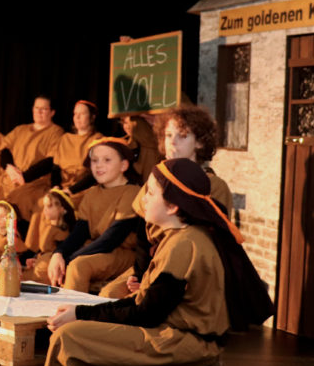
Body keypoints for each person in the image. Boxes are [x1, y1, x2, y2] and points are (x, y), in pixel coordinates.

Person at [23, 158, 272, 366]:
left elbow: (146, 314)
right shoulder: (177, 238)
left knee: (70, 338)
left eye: (151, 193)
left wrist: (81, 315)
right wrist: (82, 311)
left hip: (185, 341)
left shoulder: (186, 244)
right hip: (167, 331)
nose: (143, 199)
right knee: (73, 333)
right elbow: (146, 303)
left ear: (173, 206)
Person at [99, 105, 232, 298]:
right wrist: (139, 274)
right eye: (169, 135)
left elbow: (209, 244)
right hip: (151, 264)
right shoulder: (157, 177)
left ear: (200, 143)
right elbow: (143, 231)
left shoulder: (214, 186)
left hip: (186, 273)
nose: (172, 142)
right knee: (108, 294)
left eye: (182, 136)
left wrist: (152, 282)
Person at [47, 137, 141, 292]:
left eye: (107, 160)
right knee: (48, 262)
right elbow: (79, 233)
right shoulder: (91, 193)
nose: (99, 165)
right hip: (93, 248)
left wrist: (69, 260)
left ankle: (72, 308)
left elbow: (111, 240)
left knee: (78, 266)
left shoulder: (132, 192)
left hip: (120, 252)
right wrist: (59, 253)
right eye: (95, 160)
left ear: (124, 165)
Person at [6, 99, 99, 221]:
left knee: (53, 207)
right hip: (61, 186)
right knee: (32, 201)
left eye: (82, 114)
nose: (77, 117)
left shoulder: (97, 140)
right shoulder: (66, 138)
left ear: (92, 117)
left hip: (81, 189)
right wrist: (56, 186)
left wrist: (71, 190)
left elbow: (93, 174)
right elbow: (56, 167)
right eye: (75, 114)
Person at [0, 96, 64, 221]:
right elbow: (4, 149)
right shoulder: (20, 129)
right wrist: (9, 167)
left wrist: (24, 177)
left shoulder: (56, 132)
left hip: (33, 182)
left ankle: (15, 231)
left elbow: (51, 160)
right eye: (36, 108)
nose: (39, 112)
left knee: (21, 200)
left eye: (43, 109)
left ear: (52, 112)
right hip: (9, 178)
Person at [24, 189, 75, 283]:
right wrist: (36, 258)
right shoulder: (48, 227)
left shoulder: (62, 232)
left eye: (49, 206)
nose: (45, 209)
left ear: (62, 209)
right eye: (44, 206)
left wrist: (42, 260)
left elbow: (56, 252)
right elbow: (44, 250)